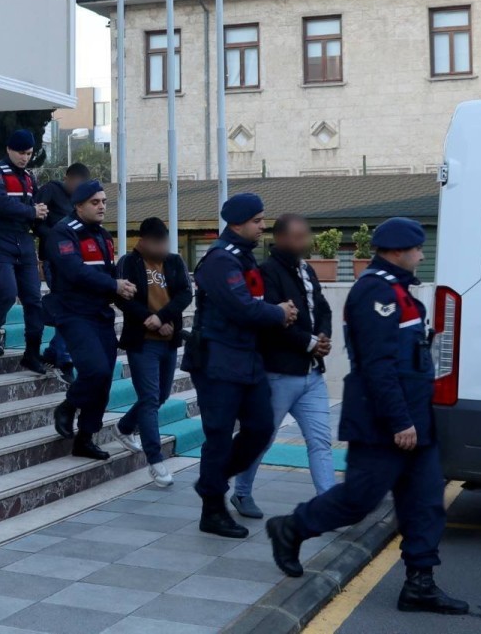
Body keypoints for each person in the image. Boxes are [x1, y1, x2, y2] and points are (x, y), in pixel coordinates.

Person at [267, 218, 468, 616]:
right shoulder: (374, 292)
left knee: (426, 500)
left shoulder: (400, 292)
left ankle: (420, 583)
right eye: (417, 249)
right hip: (384, 421)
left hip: (415, 418)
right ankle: (291, 527)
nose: (422, 255)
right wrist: (399, 421)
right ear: (397, 252)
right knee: (359, 500)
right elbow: (378, 366)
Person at [187, 193, 297, 539]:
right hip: (218, 361)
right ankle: (213, 509)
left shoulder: (244, 258)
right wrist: (278, 313)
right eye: (257, 221)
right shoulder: (220, 260)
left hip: (246, 359)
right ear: (237, 223)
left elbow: (253, 303)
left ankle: (211, 481)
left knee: (261, 428)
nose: (263, 227)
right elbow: (241, 307)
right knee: (218, 436)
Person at [231, 214, 335, 518]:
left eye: (306, 235)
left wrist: (323, 336)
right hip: (278, 374)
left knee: (320, 441)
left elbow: (324, 309)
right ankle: (241, 493)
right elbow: (273, 323)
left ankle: (328, 504)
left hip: (312, 374)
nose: (304, 242)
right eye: (298, 236)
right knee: (261, 439)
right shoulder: (267, 273)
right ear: (280, 238)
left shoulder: (307, 270)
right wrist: (309, 342)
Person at [46, 181, 136, 460]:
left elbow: (108, 273)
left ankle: (86, 437)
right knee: (95, 370)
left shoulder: (103, 236)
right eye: (95, 202)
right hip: (74, 313)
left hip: (100, 313)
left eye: (104, 202)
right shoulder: (63, 233)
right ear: (79, 205)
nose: (101, 207)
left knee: (104, 379)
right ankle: (68, 406)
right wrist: (113, 285)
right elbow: (73, 271)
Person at [113, 217, 193, 488]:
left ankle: (124, 426)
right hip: (142, 342)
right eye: (158, 242)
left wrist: (163, 318)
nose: (163, 247)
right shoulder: (128, 262)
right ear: (143, 241)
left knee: (161, 395)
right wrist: (151, 318)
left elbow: (185, 294)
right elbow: (122, 298)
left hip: (167, 340)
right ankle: (155, 461)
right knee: (148, 399)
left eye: (165, 242)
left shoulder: (173, 262)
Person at [0, 130, 48, 374]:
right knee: (6, 293)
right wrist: (31, 212)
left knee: (33, 300)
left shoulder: (29, 177)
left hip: (24, 242)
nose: (25, 158)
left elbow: (37, 206)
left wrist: (42, 217)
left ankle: (32, 352)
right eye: (21, 152)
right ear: (9, 149)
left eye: (29, 153)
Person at [35, 162, 90, 380]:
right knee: (68, 304)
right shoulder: (51, 190)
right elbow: (35, 221)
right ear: (68, 178)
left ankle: (53, 352)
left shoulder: (80, 203)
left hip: (73, 262)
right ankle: (63, 357)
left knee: (71, 305)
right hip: (52, 260)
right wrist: (55, 237)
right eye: (76, 185)